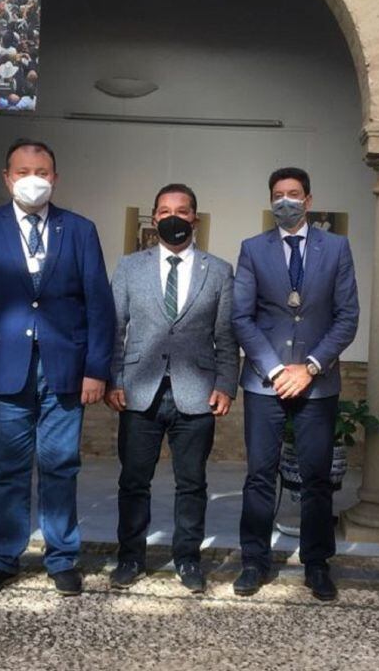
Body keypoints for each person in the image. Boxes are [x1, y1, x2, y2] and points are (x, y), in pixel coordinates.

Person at [0, 138, 115, 597]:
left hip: (66, 368)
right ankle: (3, 558)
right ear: (6, 178)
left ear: (55, 178)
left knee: (61, 465)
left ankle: (62, 558)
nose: (32, 179)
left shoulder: (79, 230)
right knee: (8, 470)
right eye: (22, 171)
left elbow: (99, 306)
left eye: (40, 171)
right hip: (4, 368)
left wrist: (96, 369)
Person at [231, 167, 359, 601]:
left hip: (317, 382)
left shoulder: (337, 248)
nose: (286, 201)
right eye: (278, 195)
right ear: (271, 200)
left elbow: (347, 317)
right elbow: (241, 317)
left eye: (294, 194)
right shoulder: (252, 249)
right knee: (259, 475)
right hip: (265, 382)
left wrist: (310, 366)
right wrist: (274, 369)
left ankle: (317, 563)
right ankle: (253, 560)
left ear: (308, 198)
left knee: (317, 477)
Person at [105, 184, 238, 594]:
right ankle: (130, 557)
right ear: (154, 217)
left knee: (192, 483)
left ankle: (188, 559)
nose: (173, 217)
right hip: (139, 390)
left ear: (195, 218)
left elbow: (226, 336)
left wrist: (226, 385)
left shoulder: (218, 270)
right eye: (164, 211)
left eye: (181, 210)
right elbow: (115, 328)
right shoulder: (129, 267)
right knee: (133, 481)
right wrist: (114, 379)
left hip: (196, 393)